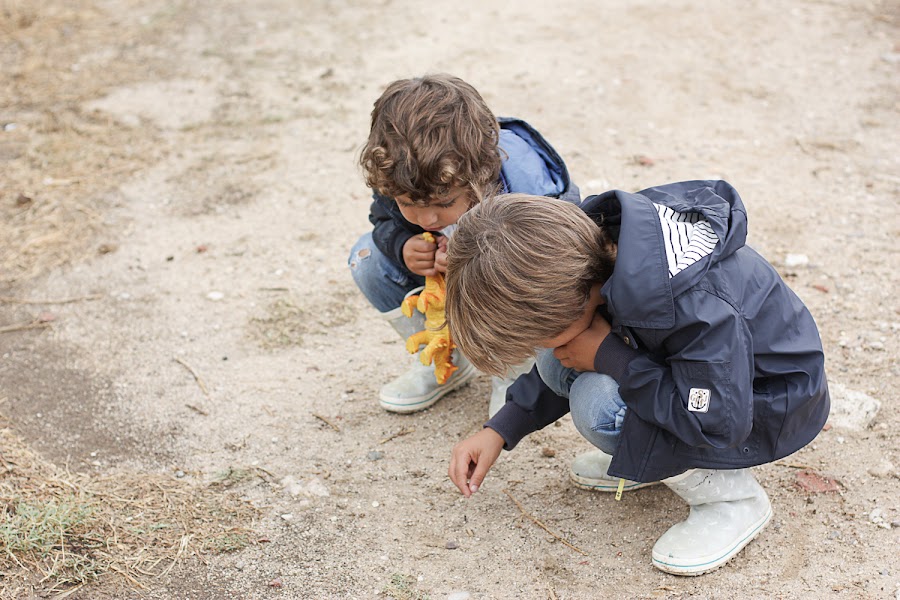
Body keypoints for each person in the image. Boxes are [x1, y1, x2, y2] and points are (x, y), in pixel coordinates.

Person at [445, 181, 830, 575]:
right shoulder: (596, 256)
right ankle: (647, 458)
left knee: (599, 407)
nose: (537, 343)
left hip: (763, 405)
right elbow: (569, 351)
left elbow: (718, 422)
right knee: (556, 362)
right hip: (708, 382)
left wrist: (612, 358)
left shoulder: (696, 307)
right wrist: (501, 428)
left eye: (538, 333)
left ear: (575, 303)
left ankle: (731, 501)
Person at [350, 73, 580, 415]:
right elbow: (383, 219)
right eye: (409, 204)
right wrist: (402, 244)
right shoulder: (402, 168)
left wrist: (466, 262)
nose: (427, 219)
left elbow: (553, 270)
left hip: (513, 280)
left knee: (522, 289)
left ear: (480, 172)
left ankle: (515, 376)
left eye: (444, 204)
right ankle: (443, 360)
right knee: (366, 258)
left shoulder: (525, 190)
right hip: (444, 288)